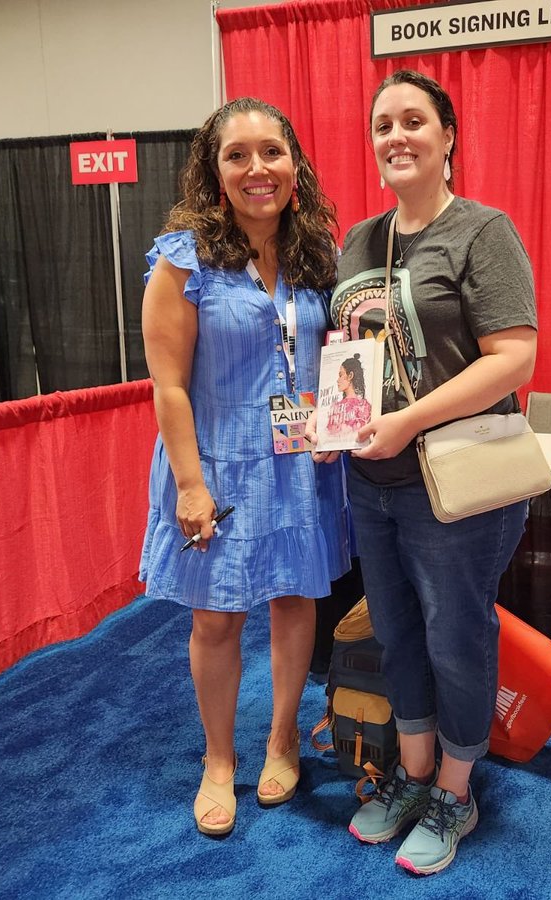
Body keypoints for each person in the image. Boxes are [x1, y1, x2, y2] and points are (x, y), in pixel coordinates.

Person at [308, 69, 538, 875]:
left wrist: (407, 419)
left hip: (456, 486)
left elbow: (514, 357)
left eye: (414, 121)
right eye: (381, 125)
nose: (395, 136)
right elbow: (352, 356)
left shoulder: (482, 231)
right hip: (372, 484)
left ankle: (456, 791)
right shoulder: (360, 242)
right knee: (397, 633)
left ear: (448, 139)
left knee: (455, 637)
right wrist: (332, 419)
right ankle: (409, 779)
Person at [138, 97, 350, 837]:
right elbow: (168, 384)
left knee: (295, 601)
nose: (258, 168)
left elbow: (334, 360)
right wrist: (190, 483)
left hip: (301, 462)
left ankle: (283, 739)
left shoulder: (317, 253)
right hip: (218, 466)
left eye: (272, 152)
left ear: (295, 164)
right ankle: (219, 760)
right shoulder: (182, 258)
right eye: (238, 155)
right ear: (214, 169)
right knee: (216, 616)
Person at [325, 354, 372, 438]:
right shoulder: (335, 407)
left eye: (340, 375)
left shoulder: (364, 406)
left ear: (350, 375)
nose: (338, 380)